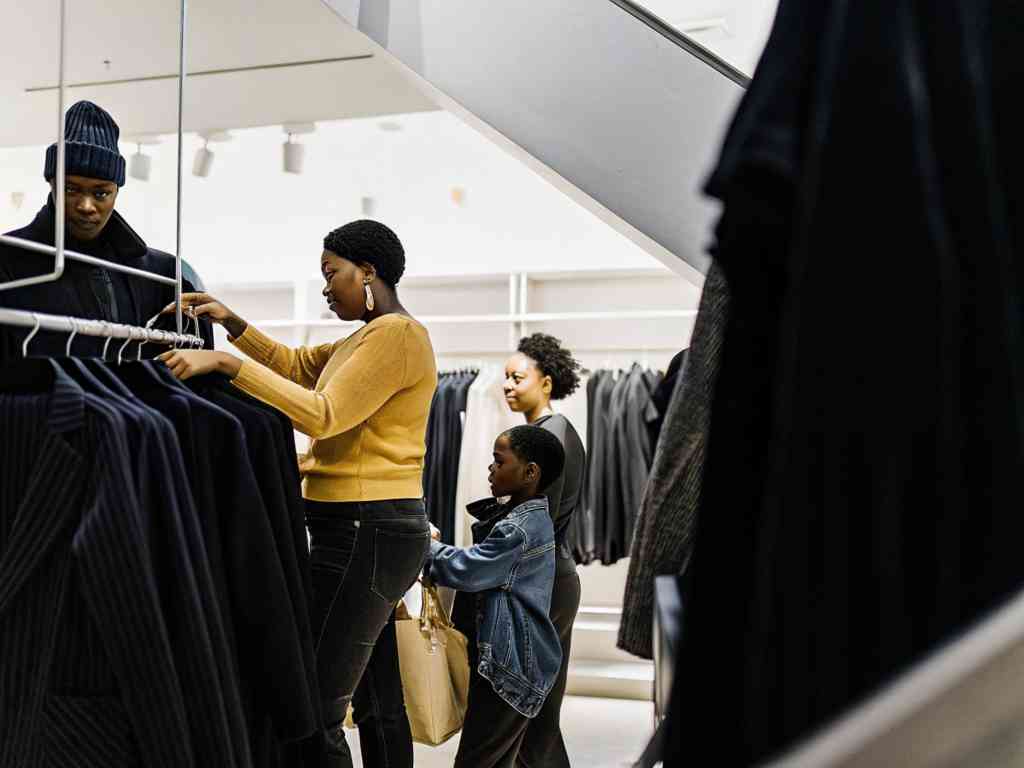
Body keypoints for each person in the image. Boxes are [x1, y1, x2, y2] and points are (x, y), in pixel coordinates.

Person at [158, 220, 436, 768]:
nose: (327, 288)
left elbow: (322, 415)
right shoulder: (367, 335)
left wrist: (226, 363)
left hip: (366, 530)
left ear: (369, 271)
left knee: (314, 704)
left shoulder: (396, 335)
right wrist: (233, 324)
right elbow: (300, 367)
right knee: (361, 697)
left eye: (333, 274)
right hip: (362, 530)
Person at [0, 100, 211, 362]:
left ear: (116, 191)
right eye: (70, 189)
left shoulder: (163, 276)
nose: (86, 206)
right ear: (51, 183)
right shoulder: (8, 260)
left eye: (101, 193)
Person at [425, 425, 566, 768]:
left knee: (477, 760)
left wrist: (423, 546)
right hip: (516, 662)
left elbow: (470, 569)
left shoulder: (518, 528)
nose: (491, 469)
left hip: (508, 667)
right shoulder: (523, 518)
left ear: (530, 472)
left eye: (499, 462)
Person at [503, 332, 586, 766]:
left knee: (526, 714)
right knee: (537, 716)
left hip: (546, 580)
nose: (508, 386)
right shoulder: (549, 434)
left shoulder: (548, 437)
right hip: (554, 577)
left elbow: (535, 522)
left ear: (546, 383)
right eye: (505, 379)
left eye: (518, 377)